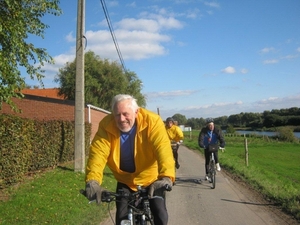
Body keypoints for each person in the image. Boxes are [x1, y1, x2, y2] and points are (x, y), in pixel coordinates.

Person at [84, 94, 175, 225]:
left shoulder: (152, 121)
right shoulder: (106, 125)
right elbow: (98, 154)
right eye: (117, 114)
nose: (121, 119)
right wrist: (92, 181)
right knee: (121, 219)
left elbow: (163, 150)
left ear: (136, 112)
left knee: (160, 215)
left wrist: (166, 177)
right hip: (125, 180)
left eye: (125, 114)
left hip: (151, 178)